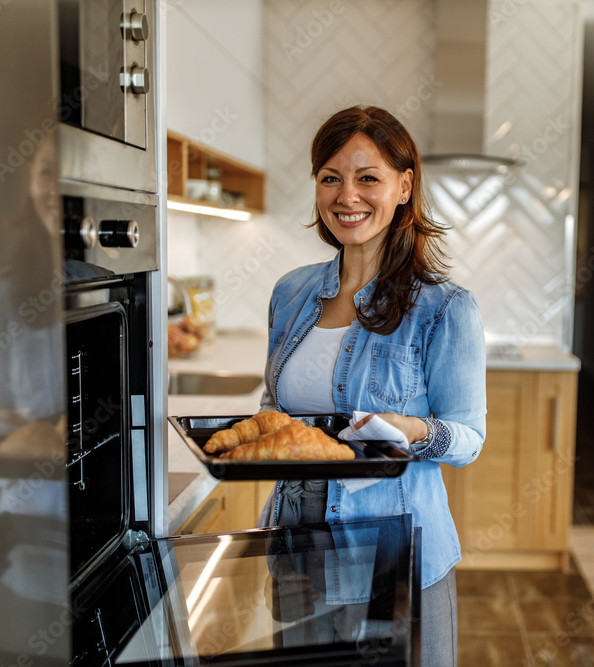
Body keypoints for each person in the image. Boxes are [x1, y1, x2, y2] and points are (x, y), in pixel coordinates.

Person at [256, 105, 486, 664]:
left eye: (368, 178)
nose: (346, 196)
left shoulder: (444, 309)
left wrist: (410, 431)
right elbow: (272, 408)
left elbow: (467, 440)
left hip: (391, 553)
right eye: (330, 178)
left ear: (404, 186)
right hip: (297, 549)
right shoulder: (291, 292)